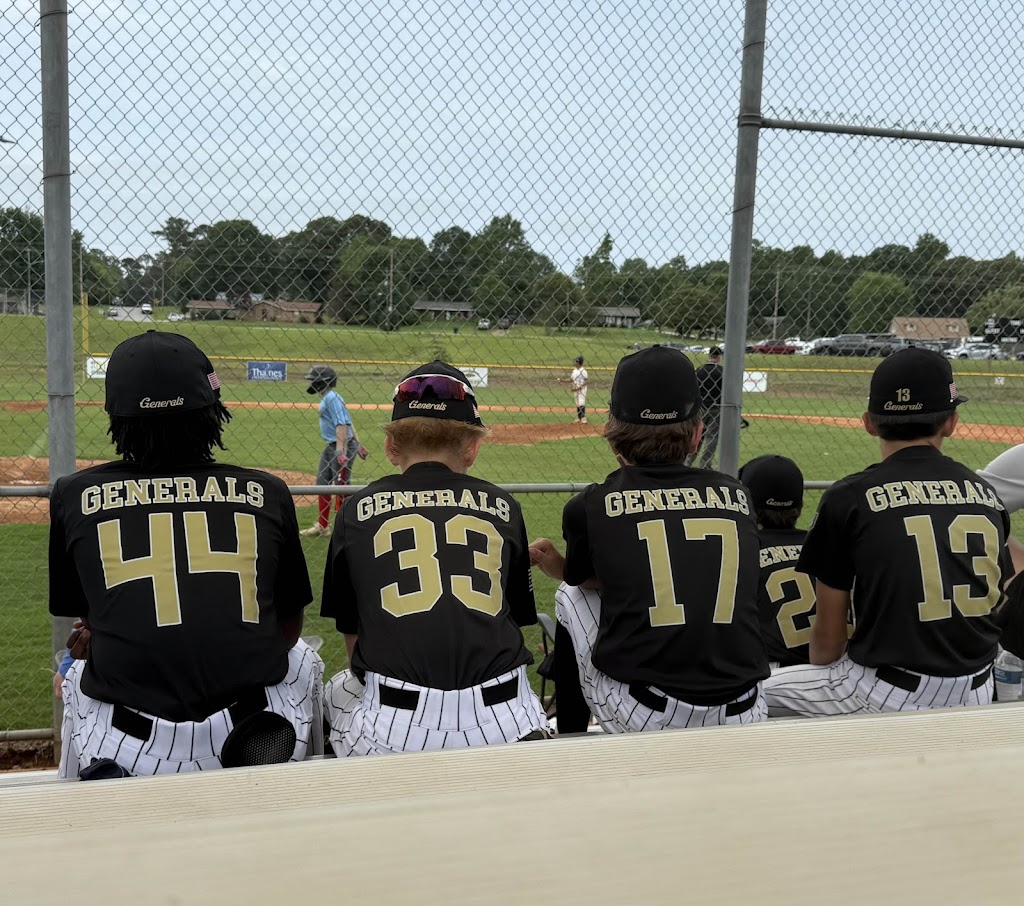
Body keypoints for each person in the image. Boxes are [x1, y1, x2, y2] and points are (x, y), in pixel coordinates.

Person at [49, 330, 323, 778]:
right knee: (305, 658)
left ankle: (83, 793)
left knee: (72, 671)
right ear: (212, 411)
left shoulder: (73, 494)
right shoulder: (269, 491)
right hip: (254, 738)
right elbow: (288, 629)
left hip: (125, 745)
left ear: (117, 416)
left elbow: (90, 618)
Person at [530, 345, 769, 733]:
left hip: (648, 713)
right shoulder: (738, 495)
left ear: (612, 439)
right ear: (697, 435)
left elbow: (589, 580)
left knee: (569, 595)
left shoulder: (590, 505)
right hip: (746, 707)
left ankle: (570, 735)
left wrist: (559, 568)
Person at [320, 361, 549, 755]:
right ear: (472, 448)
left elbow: (353, 639)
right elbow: (515, 615)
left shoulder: (355, 509)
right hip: (507, 719)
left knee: (334, 690)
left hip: (395, 726)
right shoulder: (503, 505)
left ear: (391, 448)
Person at [764, 348, 1006, 717]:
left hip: (883, 692)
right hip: (978, 689)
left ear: (869, 423)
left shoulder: (848, 496)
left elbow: (828, 644)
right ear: (951, 423)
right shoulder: (986, 494)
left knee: (748, 693)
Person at [738, 454, 816, 669]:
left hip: (775, 672)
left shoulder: (743, 549)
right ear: (800, 503)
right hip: (835, 666)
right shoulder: (825, 545)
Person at [300, 364, 366, 537]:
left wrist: (340, 451)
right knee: (322, 483)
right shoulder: (330, 397)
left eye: (314, 380)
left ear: (322, 382)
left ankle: (347, 525)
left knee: (341, 486)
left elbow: (341, 424)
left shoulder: (331, 398)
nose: (312, 383)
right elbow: (348, 420)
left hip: (341, 446)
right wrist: (358, 443)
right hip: (333, 445)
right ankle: (323, 525)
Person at [686, 346, 723, 469]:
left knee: (697, 435)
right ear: (719, 357)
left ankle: (688, 462)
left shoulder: (699, 370)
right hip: (716, 407)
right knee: (712, 437)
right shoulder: (721, 371)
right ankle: (705, 464)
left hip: (700, 407)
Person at [560, 355, 588, 424]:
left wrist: (580, 387)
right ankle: (579, 418)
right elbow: (571, 380)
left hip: (582, 389)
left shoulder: (583, 371)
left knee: (581, 402)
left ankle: (583, 418)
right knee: (577, 403)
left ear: (579, 362)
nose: (575, 363)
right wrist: (562, 380)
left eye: (576, 361)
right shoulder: (574, 371)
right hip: (575, 388)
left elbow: (586, 381)